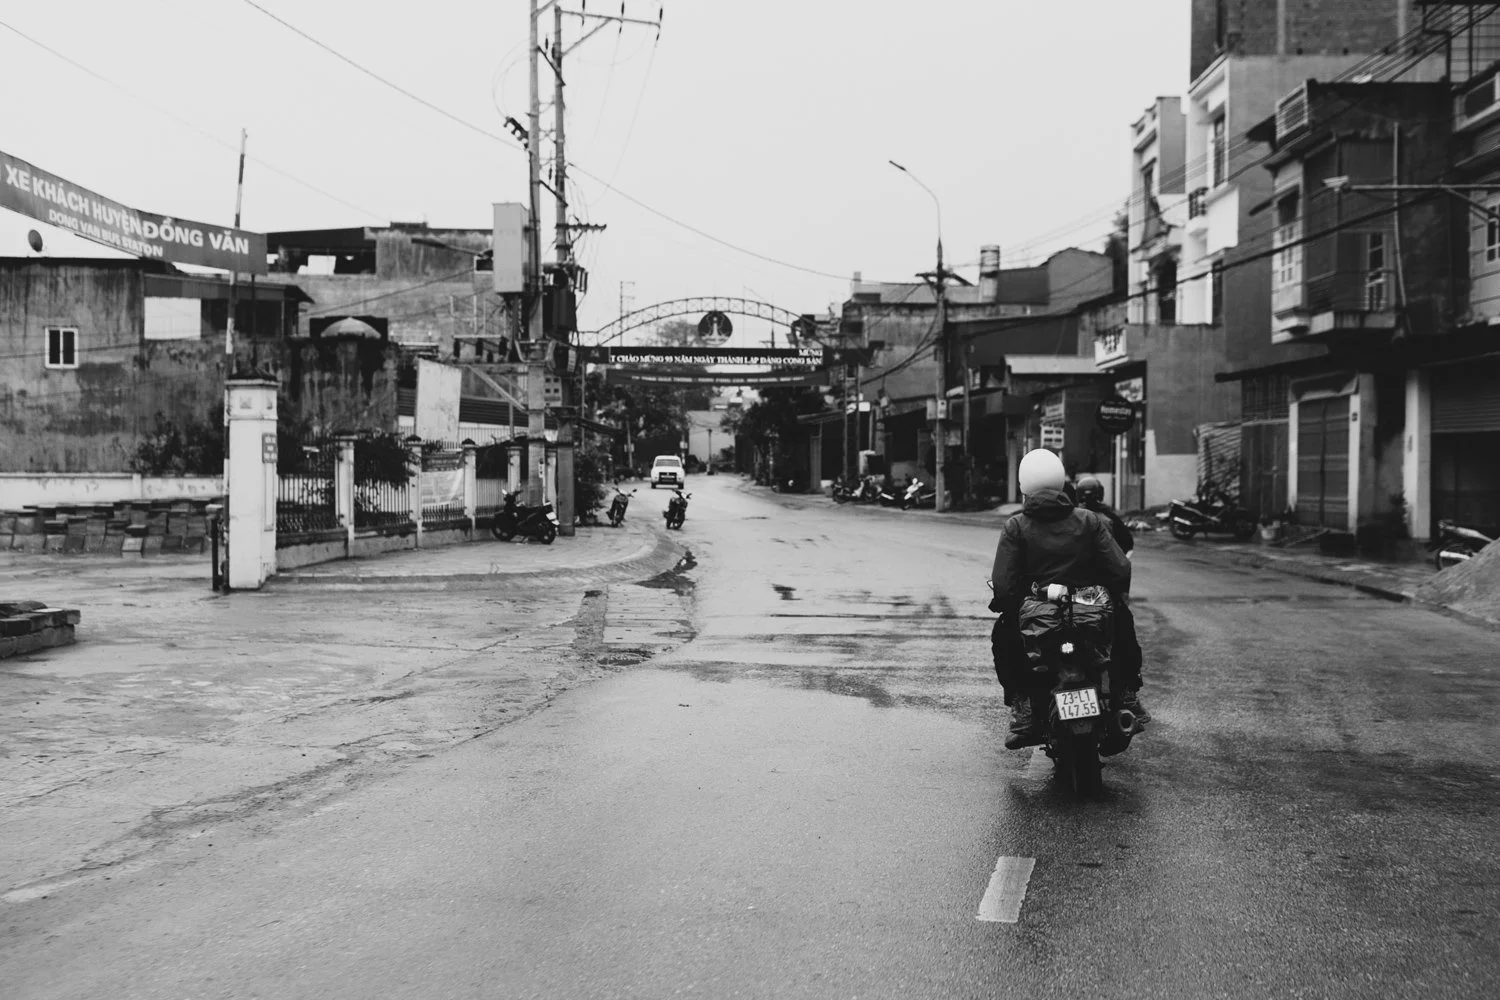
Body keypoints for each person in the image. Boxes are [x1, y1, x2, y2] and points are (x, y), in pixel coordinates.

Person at [988, 450, 1137, 749]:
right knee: (1122, 621)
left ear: (1023, 487)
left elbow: (1004, 587)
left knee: (1004, 637)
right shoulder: (1089, 520)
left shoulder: (1016, 526)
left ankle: (1025, 711)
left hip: (1038, 621)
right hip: (1089, 613)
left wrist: (1010, 603)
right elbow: (1120, 568)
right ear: (1061, 483)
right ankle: (1127, 696)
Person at [1074, 475, 1147, 717]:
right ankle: (1127, 692)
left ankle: (1025, 706)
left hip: (1071, 594)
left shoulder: (1072, 518)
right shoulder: (1106, 519)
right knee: (1124, 637)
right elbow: (1123, 556)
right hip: (1100, 593)